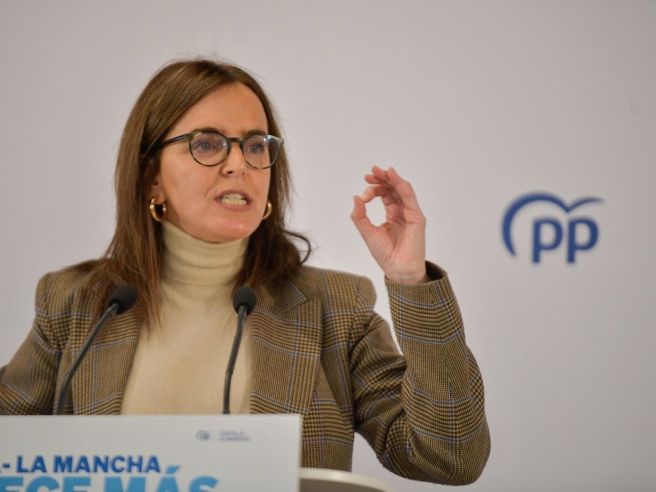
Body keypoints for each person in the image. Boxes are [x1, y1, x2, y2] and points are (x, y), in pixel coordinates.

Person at [0, 59, 490, 484]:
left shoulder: (334, 309)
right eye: (207, 144)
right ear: (152, 177)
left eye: (255, 146)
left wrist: (410, 280)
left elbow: (449, 456)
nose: (239, 164)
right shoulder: (78, 303)